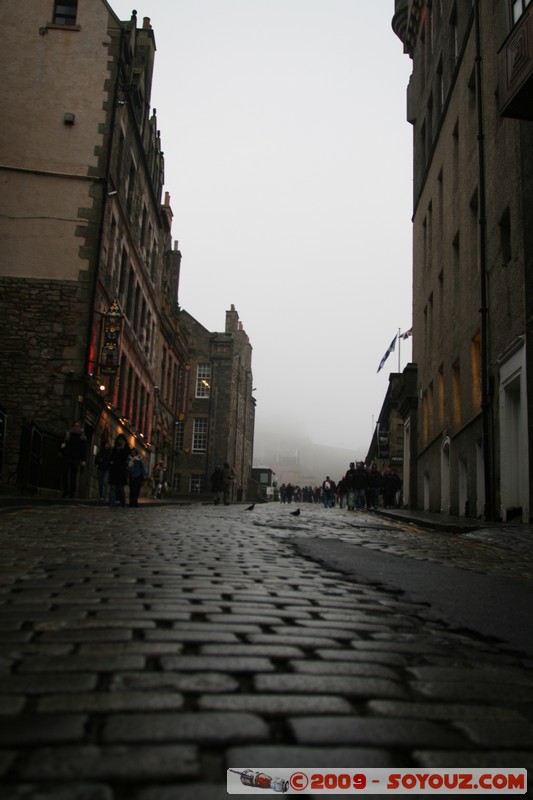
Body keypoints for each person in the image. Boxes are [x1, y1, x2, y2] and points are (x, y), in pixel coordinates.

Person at [59, 420, 87, 498]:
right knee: (65, 474)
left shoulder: (82, 437)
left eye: (78, 426)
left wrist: (83, 460)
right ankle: (65, 490)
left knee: (73, 476)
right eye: (75, 426)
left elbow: (83, 449)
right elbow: (62, 443)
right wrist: (61, 451)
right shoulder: (68, 434)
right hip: (66, 456)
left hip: (76, 458)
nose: (76, 428)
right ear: (72, 426)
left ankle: (72, 492)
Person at [108, 433, 130, 509]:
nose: (120, 441)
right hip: (114, 470)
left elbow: (125, 457)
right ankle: (111, 504)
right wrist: (111, 462)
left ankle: (123, 503)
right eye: (119, 439)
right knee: (113, 488)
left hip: (121, 471)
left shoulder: (127, 448)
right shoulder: (115, 448)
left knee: (120, 489)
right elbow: (112, 457)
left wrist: (123, 448)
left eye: (122, 440)